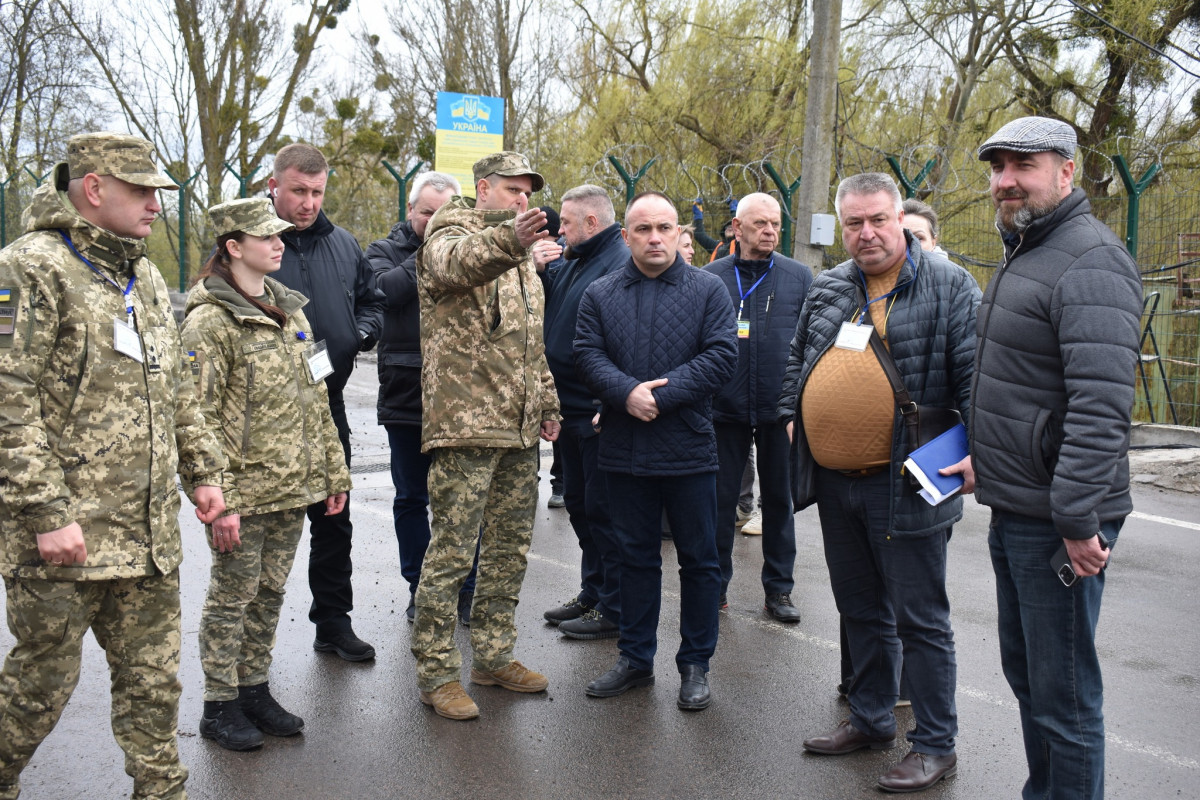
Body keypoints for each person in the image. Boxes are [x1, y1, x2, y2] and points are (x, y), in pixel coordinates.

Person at [0, 132, 227, 800]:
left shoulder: (144, 275)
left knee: (155, 688)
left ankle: (161, 792)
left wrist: (204, 472)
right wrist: (47, 513)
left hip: (148, 536)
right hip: (67, 541)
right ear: (95, 188)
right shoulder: (28, 267)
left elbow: (174, 390)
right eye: (142, 190)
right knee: (39, 690)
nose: (158, 203)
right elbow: (7, 400)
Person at [777, 172, 980, 793]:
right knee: (860, 609)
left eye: (877, 221)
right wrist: (793, 414)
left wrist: (978, 448)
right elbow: (798, 359)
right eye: (853, 224)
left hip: (913, 479)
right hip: (837, 483)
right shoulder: (832, 286)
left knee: (921, 619)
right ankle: (869, 719)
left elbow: (978, 374)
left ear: (901, 219)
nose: (866, 234)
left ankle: (936, 744)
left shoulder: (949, 284)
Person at [969, 116, 1142, 800]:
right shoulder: (1026, 250)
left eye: (1024, 165)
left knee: (1064, 698)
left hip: (1057, 519)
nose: (1006, 180)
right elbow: (1017, 385)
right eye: (997, 166)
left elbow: (1102, 411)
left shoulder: (1091, 260)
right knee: (1031, 679)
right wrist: (989, 456)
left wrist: (1075, 519)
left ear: (1066, 172)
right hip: (1018, 505)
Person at [181, 198, 352, 752]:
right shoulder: (210, 320)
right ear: (233, 247)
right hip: (242, 491)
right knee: (232, 596)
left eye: (281, 236)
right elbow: (196, 416)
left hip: (290, 486)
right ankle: (219, 702)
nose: (280, 243)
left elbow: (318, 395)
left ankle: (254, 687)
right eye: (267, 237)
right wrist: (216, 499)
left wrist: (333, 474)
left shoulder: (290, 311)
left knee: (270, 592)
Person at [411, 151, 561, 721]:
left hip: (519, 427)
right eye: (512, 190)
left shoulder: (518, 253)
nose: (523, 200)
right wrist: (511, 241)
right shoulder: (454, 227)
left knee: (507, 549)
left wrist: (547, 402)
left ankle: (493, 657)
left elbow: (528, 340)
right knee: (451, 553)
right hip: (466, 424)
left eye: (528, 192)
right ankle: (436, 672)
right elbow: (452, 266)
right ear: (483, 188)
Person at [575, 191, 737, 711]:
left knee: (700, 562)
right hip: (623, 450)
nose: (654, 238)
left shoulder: (708, 291)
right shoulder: (600, 294)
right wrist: (625, 393)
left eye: (664, 228)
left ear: (678, 233)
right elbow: (587, 355)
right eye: (642, 229)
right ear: (625, 237)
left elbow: (720, 357)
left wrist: (656, 397)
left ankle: (695, 665)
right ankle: (635, 659)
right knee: (634, 558)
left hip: (688, 448)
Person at [269, 143, 384, 662]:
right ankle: (250, 656)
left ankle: (333, 622)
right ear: (275, 186)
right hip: (269, 415)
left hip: (328, 404)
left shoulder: (343, 243)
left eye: (317, 192)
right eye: (298, 190)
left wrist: (361, 332)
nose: (308, 202)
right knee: (266, 533)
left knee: (334, 519)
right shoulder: (253, 243)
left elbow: (371, 300)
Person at [367, 171, 478, 627]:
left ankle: (464, 589)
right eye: (426, 211)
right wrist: (434, 255)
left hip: (463, 397)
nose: (434, 220)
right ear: (410, 210)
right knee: (412, 498)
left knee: (465, 501)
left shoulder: (474, 252)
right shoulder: (381, 252)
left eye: (444, 213)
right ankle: (419, 587)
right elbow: (384, 291)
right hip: (406, 395)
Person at [705, 192, 812, 621]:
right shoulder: (711, 277)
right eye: (760, 224)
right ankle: (714, 589)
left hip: (778, 411)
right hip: (723, 410)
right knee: (718, 503)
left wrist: (799, 404)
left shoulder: (799, 277)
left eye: (775, 224)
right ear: (737, 227)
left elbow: (813, 343)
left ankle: (779, 592)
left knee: (780, 504)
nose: (770, 232)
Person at [534, 185, 630, 641]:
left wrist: (606, 402)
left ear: (592, 223)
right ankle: (593, 590)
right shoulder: (579, 259)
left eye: (566, 224)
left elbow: (626, 342)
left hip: (594, 410)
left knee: (603, 510)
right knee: (579, 505)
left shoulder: (617, 263)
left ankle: (614, 605)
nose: (560, 231)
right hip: (567, 407)